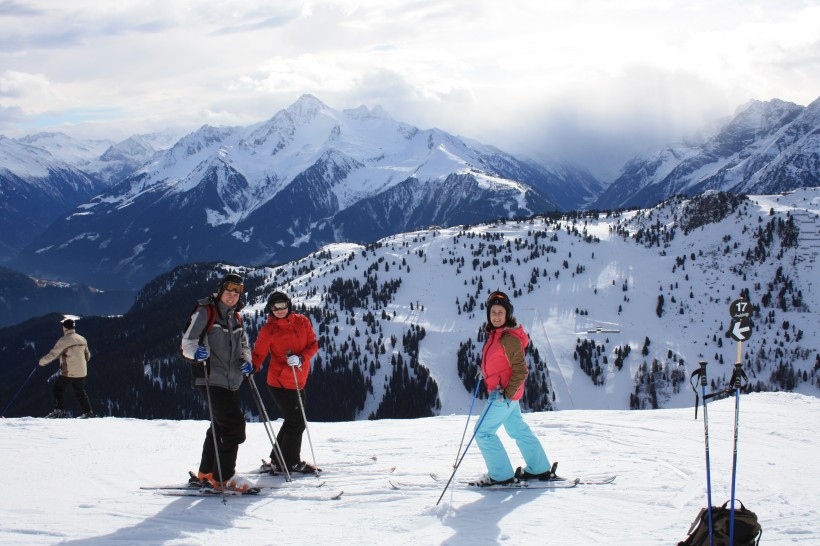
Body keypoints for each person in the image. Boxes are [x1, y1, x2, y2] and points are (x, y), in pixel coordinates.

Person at [181, 272, 255, 492]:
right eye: (229, 290)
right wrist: (196, 354)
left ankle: (206, 472)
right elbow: (187, 343)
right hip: (210, 377)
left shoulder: (236, 316)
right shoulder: (206, 311)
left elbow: (244, 346)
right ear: (221, 289)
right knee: (234, 426)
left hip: (232, 380)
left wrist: (247, 360)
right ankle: (224, 477)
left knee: (220, 425)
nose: (232, 295)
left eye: (237, 292)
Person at [470, 290, 553, 486]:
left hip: (503, 396)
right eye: (493, 312)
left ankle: (500, 476)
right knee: (519, 431)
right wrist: (486, 372)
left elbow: (521, 370)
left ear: (507, 314)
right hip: (507, 396)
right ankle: (539, 468)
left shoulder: (509, 338)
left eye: (500, 312)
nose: (496, 316)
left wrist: (506, 395)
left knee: (482, 432)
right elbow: (501, 362)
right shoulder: (497, 335)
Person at [251, 291, 320, 474]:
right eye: (275, 307)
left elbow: (313, 344)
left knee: (293, 421)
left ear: (289, 305)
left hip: (299, 379)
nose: (280, 310)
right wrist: (250, 368)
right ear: (270, 309)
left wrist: (301, 358)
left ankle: (277, 458)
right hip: (280, 382)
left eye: (283, 306)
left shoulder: (302, 321)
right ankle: (290, 463)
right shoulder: (269, 330)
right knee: (297, 423)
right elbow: (258, 354)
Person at [39, 318, 95, 419]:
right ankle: (88, 412)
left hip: (69, 371)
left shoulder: (63, 340)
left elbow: (53, 354)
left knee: (57, 389)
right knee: (80, 391)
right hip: (82, 371)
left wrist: (41, 362)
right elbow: (88, 356)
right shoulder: (82, 339)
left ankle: (59, 411)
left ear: (65, 328)